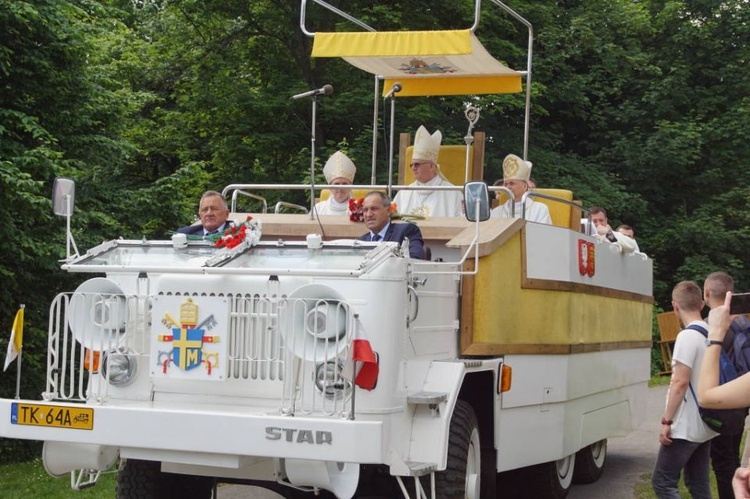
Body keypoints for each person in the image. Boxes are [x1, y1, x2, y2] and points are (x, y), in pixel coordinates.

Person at [651, 280, 717, 499]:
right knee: (698, 484)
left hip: (685, 425)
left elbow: (679, 383)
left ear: (675, 306)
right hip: (705, 421)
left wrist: (666, 421)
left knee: (663, 482)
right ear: (701, 304)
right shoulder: (711, 332)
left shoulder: (687, 337)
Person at [701, 272, 745, 499]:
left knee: (721, 463)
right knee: (732, 457)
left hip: (718, 403)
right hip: (740, 401)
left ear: (706, 293)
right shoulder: (743, 322)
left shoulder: (708, 327)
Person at [393, 125, 463, 218]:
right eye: (412, 165)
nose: (413, 168)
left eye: (417, 164)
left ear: (431, 166)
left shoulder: (452, 193)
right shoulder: (404, 192)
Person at [357, 191, 425, 260]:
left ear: (388, 211)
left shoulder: (407, 231)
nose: (369, 214)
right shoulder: (361, 242)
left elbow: (416, 261)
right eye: (365, 210)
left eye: (374, 208)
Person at [490, 154, 551, 224]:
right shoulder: (496, 212)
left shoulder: (540, 209)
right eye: (506, 184)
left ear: (524, 186)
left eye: (512, 183)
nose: (508, 187)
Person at [314, 151, 357, 216]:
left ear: (351, 186)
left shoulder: (359, 208)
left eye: (344, 184)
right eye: (336, 184)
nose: (340, 188)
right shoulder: (318, 209)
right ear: (330, 187)